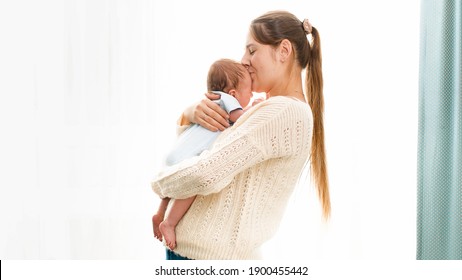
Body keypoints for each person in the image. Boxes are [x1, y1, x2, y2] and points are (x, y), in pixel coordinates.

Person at [152, 10, 330, 260]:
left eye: (252, 50)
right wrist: (188, 116)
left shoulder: (283, 112)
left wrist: (159, 183)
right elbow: (201, 150)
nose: (243, 60)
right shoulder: (269, 109)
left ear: (284, 50)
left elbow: (205, 173)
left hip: (207, 260)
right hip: (199, 255)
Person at [152, 58, 254, 250]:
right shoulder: (228, 100)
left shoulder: (211, 99)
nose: (252, 93)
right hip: (191, 156)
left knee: (174, 185)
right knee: (189, 188)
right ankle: (169, 223)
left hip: (179, 151)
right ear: (233, 93)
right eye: (249, 90)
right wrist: (254, 108)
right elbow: (239, 119)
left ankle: (160, 213)